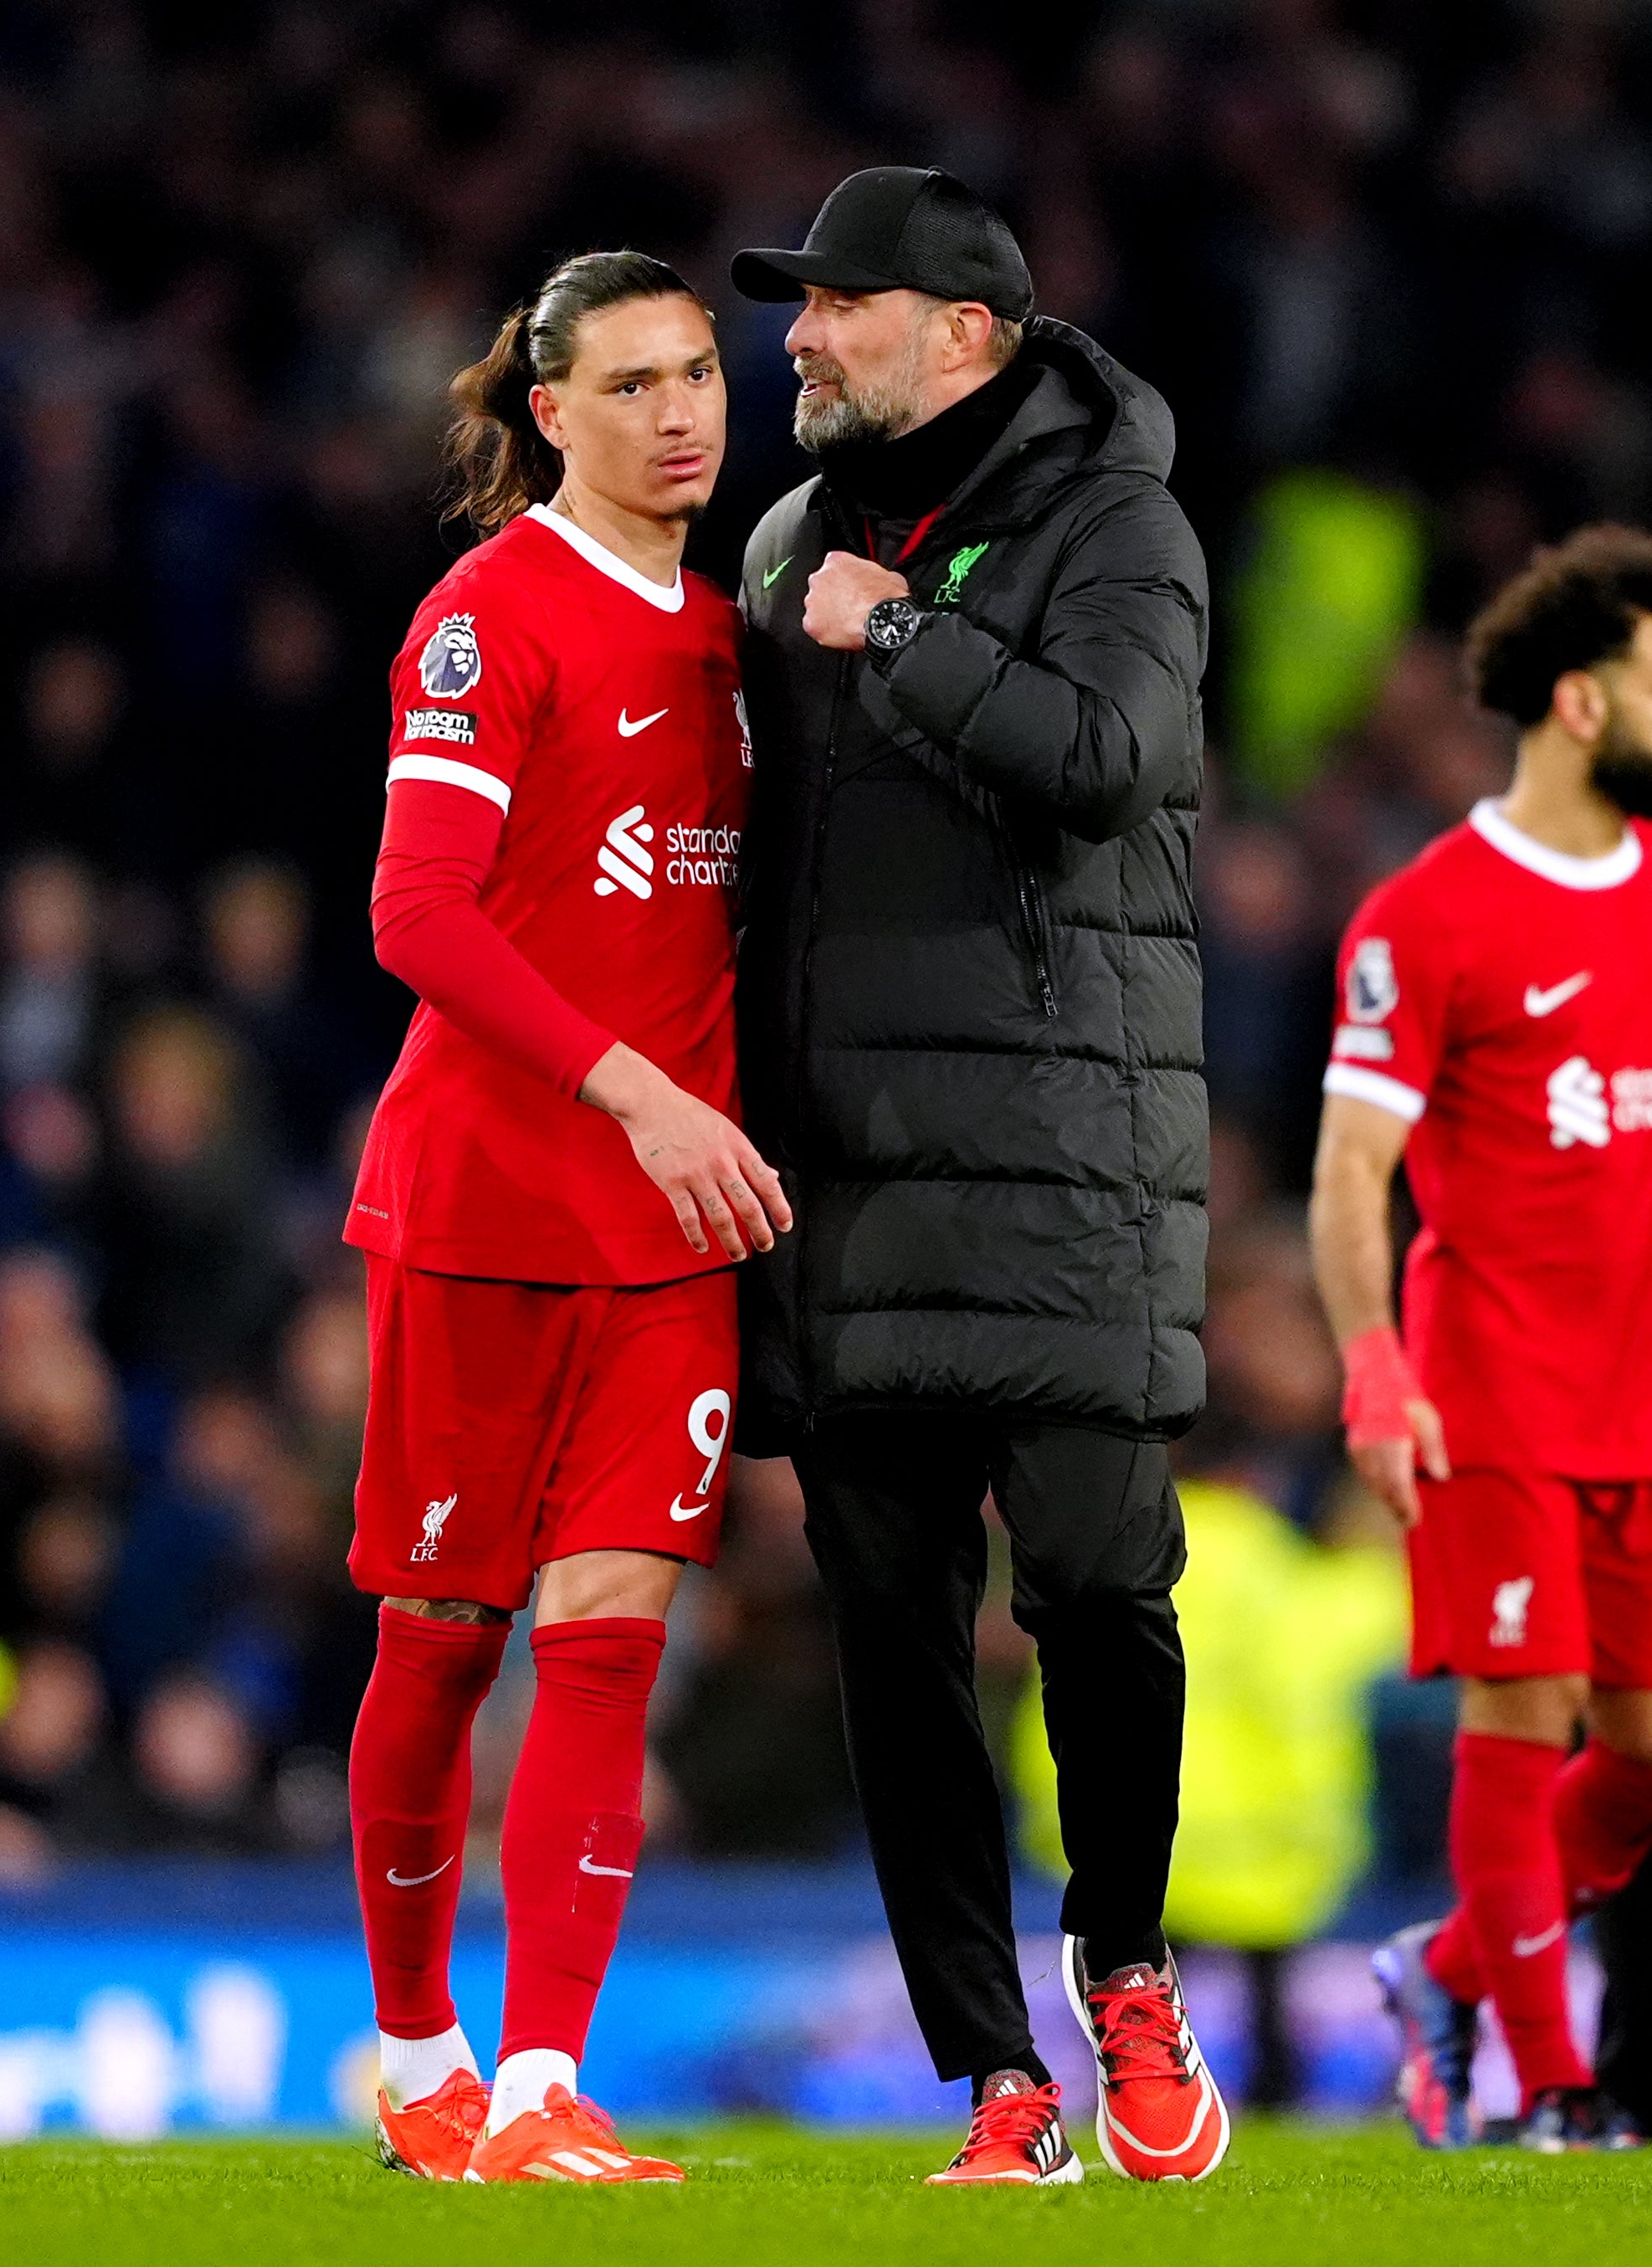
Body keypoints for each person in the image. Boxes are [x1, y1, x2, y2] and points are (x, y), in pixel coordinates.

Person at [730, 166, 1227, 2185]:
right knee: (889, 1630)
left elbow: (1109, 755)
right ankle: (995, 2078)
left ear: (968, 333)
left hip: (1062, 1154)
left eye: (839, 303)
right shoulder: (779, 538)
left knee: (1103, 1590)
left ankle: (1124, 1964)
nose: (799, 336)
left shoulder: (1119, 522)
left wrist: (902, 630)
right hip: (841, 1162)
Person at [340, 250, 788, 2187]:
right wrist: (640, 1085)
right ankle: (415, 2045)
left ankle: (543, 2085)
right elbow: (414, 912)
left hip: (673, 1231)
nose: (681, 412)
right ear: (549, 412)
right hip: (489, 1204)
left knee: (608, 1637)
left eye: (698, 373)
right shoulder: (484, 616)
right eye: (632, 384)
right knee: (442, 1635)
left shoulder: (736, 635)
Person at [1309, 524, 1652, 2153]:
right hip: (1493, 1379)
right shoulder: (1426, 914)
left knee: (1636, 1767)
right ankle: (1552, 2090)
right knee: (1522, 1713)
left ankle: (1436, 1970)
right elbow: (1348, 1172)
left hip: (1639, 1393)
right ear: (1581, 701)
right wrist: (1375, 1368)